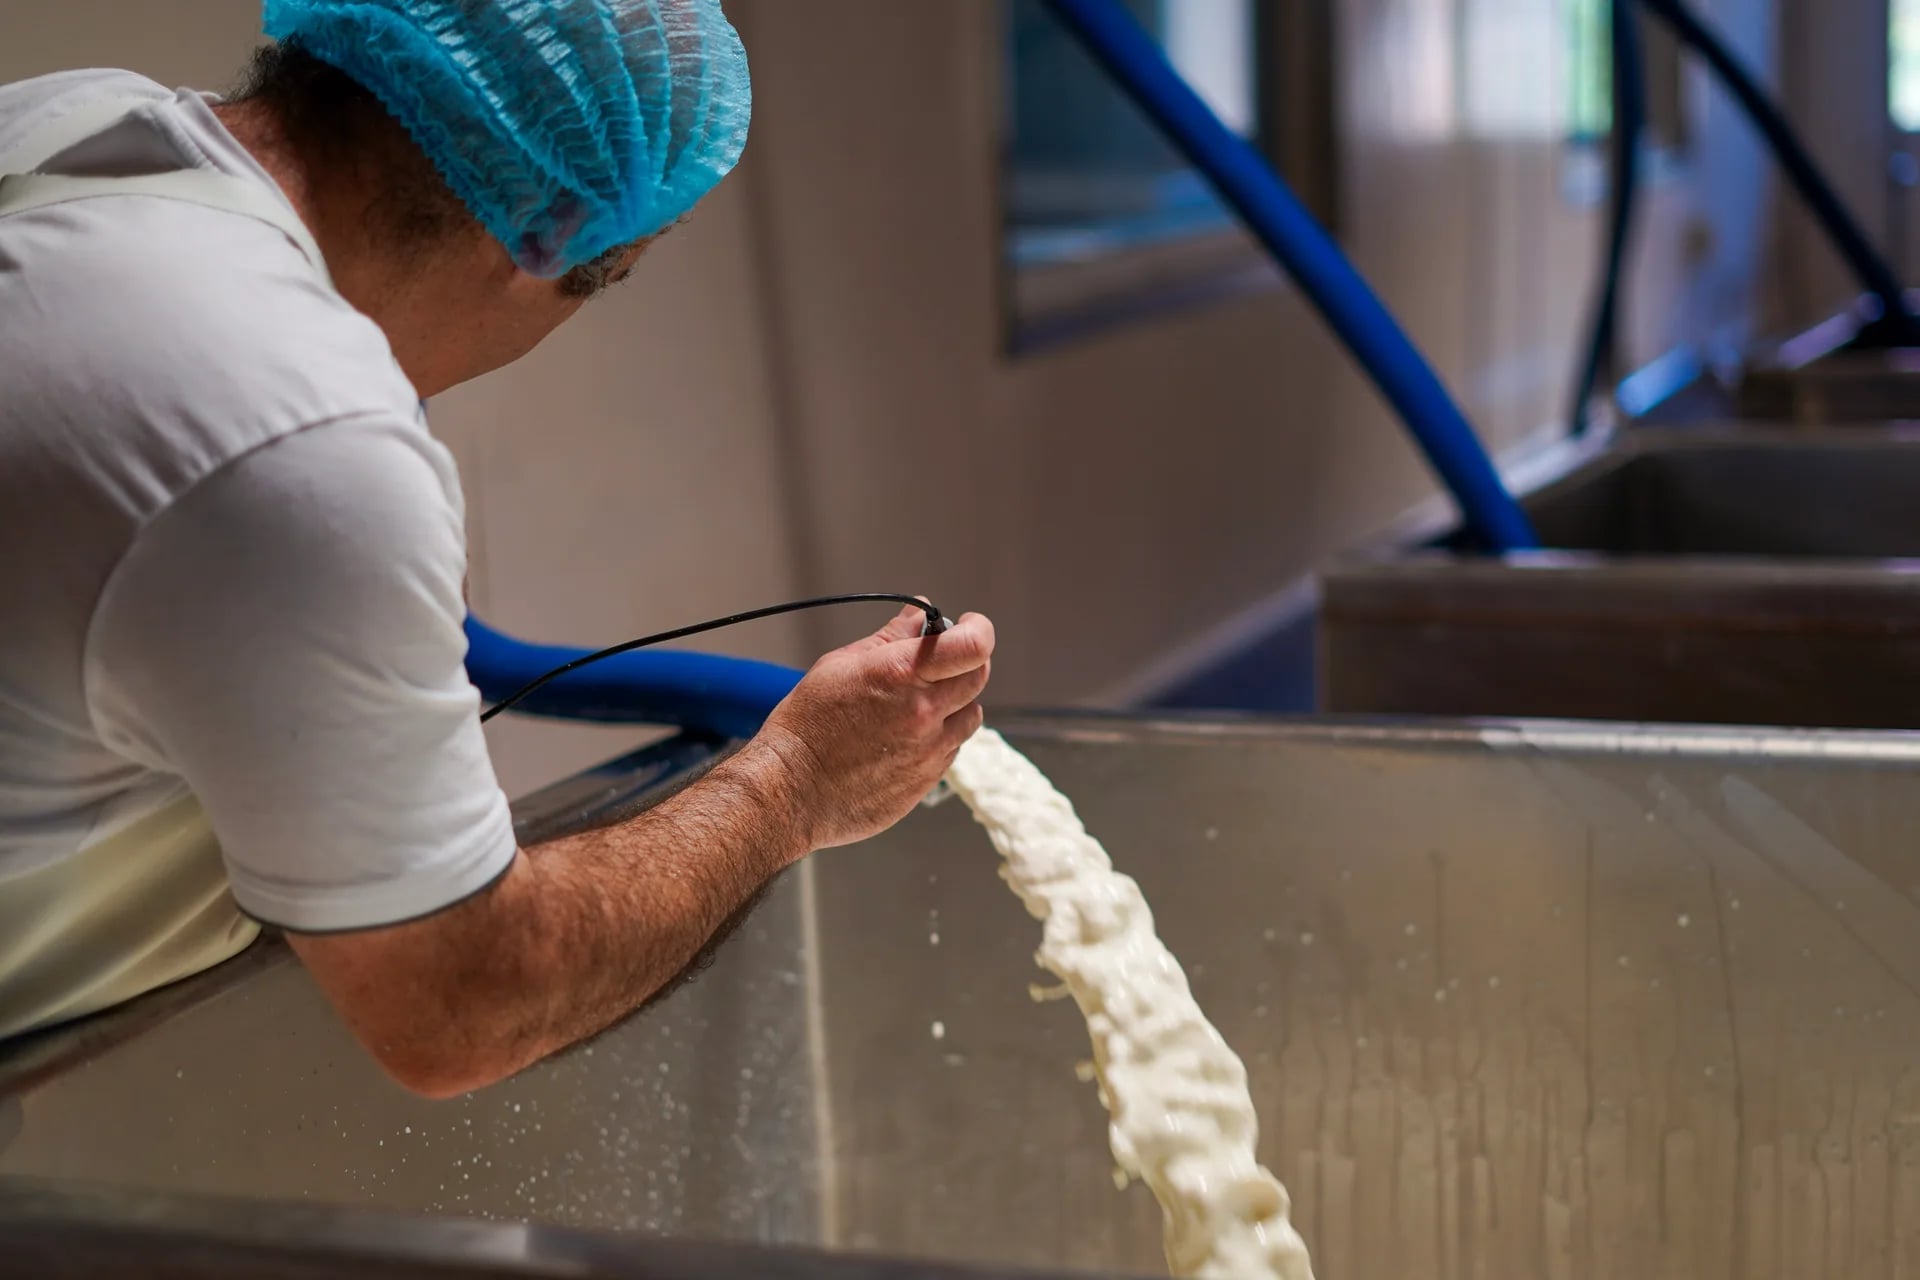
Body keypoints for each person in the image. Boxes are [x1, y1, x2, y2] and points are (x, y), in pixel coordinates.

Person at [0, 0, 993, 1095]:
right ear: (550, 231)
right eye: (604, 282)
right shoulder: (294, 442)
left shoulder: (67, 127)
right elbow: (467, 1001)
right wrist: (799, 781)